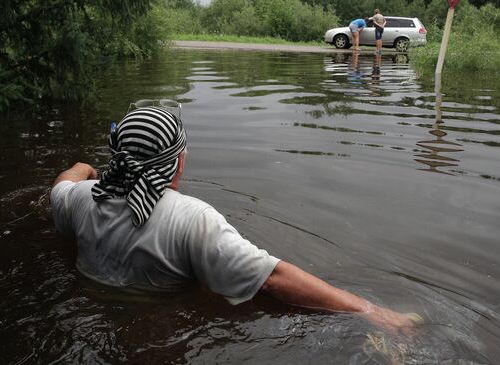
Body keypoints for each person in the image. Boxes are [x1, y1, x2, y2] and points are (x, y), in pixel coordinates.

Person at [50, 106, 419, 331]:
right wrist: (371, 311)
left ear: (117, 159)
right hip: (159, 325)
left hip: (90, 306)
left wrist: (84, 167)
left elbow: (61, 185)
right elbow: (273, 279)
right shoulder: (192, 218)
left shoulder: (82, 199)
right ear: (177, 162)